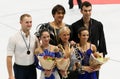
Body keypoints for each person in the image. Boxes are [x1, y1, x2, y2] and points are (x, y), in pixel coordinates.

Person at [70, 1, 107, 79]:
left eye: (89, 10)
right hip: (80, 61)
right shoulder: (74, 25)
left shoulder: (98, 25)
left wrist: (101, 59)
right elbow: (71, 42)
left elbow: (102, 41)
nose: (87, 13)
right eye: (85, 10)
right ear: (81, 11)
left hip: (94, 59)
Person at [6, 14, 39, 79]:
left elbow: (37, 52)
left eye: (30, 22)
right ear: (21, 22)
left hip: (31, 69)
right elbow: (9, 58)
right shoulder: (14, 38)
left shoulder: (34, 37)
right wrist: (10, 75)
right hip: (19, 69)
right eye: (27, 22)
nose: (29, 24)